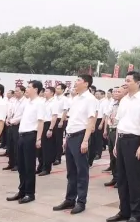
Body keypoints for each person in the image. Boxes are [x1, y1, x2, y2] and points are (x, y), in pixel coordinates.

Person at [107, 71, 140, 222]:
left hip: (135, 141)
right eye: (125, 80)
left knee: (134, 179)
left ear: (138, 83)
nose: (125, 83)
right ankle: (124, 211)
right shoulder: (124, 99)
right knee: (122, 178)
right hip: (121, 140)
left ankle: (136, 214)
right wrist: (116, 144)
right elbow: (120, 123)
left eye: (128, 80)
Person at [53, 74, 98, 215]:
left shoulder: (90, 99)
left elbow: (91, 121)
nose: (75, 83)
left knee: (81, 172)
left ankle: (81, 202)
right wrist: (66, 138)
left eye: (78, 80)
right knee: (71, 171)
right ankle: (70, 199)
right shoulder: (76, 98)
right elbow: (72, 120)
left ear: (86, 84)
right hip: (71, 136)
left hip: (81, 136)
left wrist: (85, 140)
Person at [6, 80, 45, 204]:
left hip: (31, 136)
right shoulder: (28, 102)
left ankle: (30, 193)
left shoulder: (39, 103)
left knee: (29, 166)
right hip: (21, 135)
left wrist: (38, 138)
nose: (26, 89)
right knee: (21, 165)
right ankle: (21, 191)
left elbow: (40, 122)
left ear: (36, 89)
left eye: (28, 87)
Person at [39, 87, 59, 176]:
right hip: (41, 124)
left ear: (52, 93)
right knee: (40, 147)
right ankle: (40, 166)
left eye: (46, 91)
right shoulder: (43, 102)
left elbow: (54, 116)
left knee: (47, 148)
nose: (44, 92)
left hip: (48, 124)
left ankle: (46, 168)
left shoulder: (54, 102)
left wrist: (50, 129)